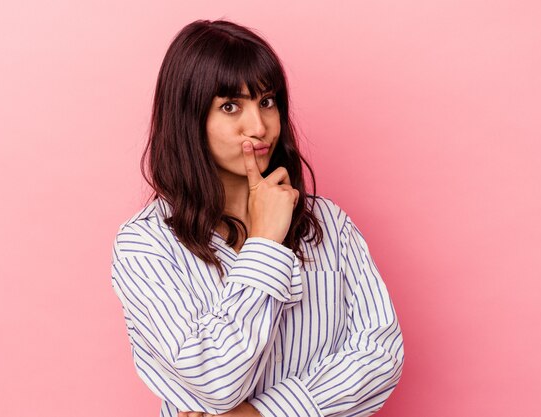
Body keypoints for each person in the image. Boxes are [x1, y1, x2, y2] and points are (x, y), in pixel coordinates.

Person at [110, 19, 404, 417]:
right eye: (230, 106)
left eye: (266, 101)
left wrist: (264, 414)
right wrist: (265, 242)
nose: (259, 126)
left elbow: (380, 355)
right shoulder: (145, 246)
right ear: (188, 118)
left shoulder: (329, 225)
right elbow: (217, 380)